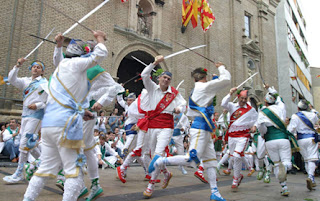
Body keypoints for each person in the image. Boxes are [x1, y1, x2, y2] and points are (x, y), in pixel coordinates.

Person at [23, 30, 107, 201]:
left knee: (43, 169)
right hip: (66, 126)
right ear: (81, 56)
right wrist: (100, 38)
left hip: (49, 125)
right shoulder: (76, 64)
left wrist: (58, 45)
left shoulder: (61, 69)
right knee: (73, 172)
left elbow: (63, 99)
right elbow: (101, 54)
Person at [148, 62, 231, 201]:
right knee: (191, 158)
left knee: (211, 162)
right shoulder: (204, 88)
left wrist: (214, 81)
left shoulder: (199, 89)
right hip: (200, 129)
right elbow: (226, 80)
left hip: (204, 129)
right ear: (204, 78)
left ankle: (215, 192)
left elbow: (207, 95)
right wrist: (221, 67)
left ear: (194, 79)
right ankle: (161, 161)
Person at [136, 55, 186, 198]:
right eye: (164, 77)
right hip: (152, 125)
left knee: (158, 154)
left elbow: (183, 104)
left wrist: (179, 109)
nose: (166, 80)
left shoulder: (174, 94)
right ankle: (166, 173)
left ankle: (151, 186)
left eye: (168, 79)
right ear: (159, 78)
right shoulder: (152, 88)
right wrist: (155, 63)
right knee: (152, 155)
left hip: (166, 126)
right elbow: (145, 74)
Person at [3, 56, 48, 184]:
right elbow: (11, 79)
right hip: (25, 115)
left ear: (42, 71)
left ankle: (19, 172)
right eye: (34, 66)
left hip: (36, 115)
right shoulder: (26, 81)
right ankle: (45, 164)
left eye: (39, 67)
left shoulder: (45, 84)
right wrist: (17, 65)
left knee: (24, 142)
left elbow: (48, 101)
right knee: (30, 144)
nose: (36, 68)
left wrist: (37, 105)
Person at [251, 84, 299, 196]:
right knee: (286, 161)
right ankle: (286, 167)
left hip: (270, 140)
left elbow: (262, 128)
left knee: (276, 164)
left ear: (266, 102)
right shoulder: (281, 106)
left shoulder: (263, 112)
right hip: (283, 138)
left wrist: (263, 134)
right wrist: (269, 88)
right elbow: (278, 97)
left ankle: (284, 187)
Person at [221, 87, 258, 191]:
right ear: (238, 97)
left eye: (245, 98)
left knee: (237, 156)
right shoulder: (232, 106)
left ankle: (235, 179)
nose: (243, 100)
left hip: (243, 136)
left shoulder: (251, 110)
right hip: (232, 136)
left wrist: (254, 126)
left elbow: (256, 119)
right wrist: (230, 93)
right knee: (233, 157)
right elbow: (223, 104)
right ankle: (239, 176)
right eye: (241, 98)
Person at [287, 99, 319, 190]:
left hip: (301, 139)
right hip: (311, 139)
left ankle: (311, 178)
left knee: (306, 159)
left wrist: (293, 136)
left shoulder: (295, 116)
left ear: (298, 108)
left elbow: (290, 130)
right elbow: (317, 114)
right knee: (312, 158)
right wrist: (312, 108)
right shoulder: (313, 115)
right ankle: (311, 177)